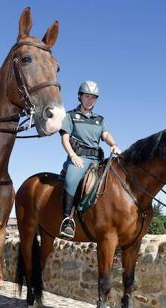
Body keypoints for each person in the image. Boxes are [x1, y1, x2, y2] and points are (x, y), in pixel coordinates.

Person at [58, 80, 120, 239]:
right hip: (79, 158)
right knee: (72, 180)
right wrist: (73, 156)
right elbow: (65, 138)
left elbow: (105, 135)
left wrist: (113, 144)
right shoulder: (71, 116)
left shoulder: (99, 120)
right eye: (87, 96)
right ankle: (67, 220)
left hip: (97, 159)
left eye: (93, 97)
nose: (90, 100)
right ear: (80, 97)